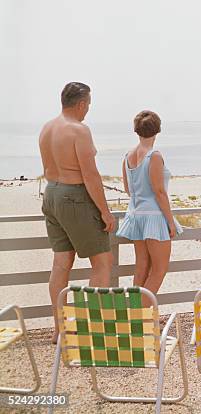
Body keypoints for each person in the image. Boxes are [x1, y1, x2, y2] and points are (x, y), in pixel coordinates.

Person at [39, 82, 116, 343]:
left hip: (51, 194)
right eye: (88, 105)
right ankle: (92, 330)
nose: (88, 111)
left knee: (61, 264)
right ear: (81, 103)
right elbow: (90, 175)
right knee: (103, 262)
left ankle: (59, 329)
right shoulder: (79, 130)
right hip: (74, 196)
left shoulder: (47, 128)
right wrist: (105, 212)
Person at [116, 111, 183, 296]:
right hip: (154, 217)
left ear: (136, 130)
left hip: (135, 215)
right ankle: (141, 313)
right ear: (158, 130)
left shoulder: (128, 156)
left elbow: (129, 190)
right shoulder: (154, 156)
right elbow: (159, 192)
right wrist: (171, 222)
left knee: (142, 267)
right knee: (159, 270)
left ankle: (138, 321)